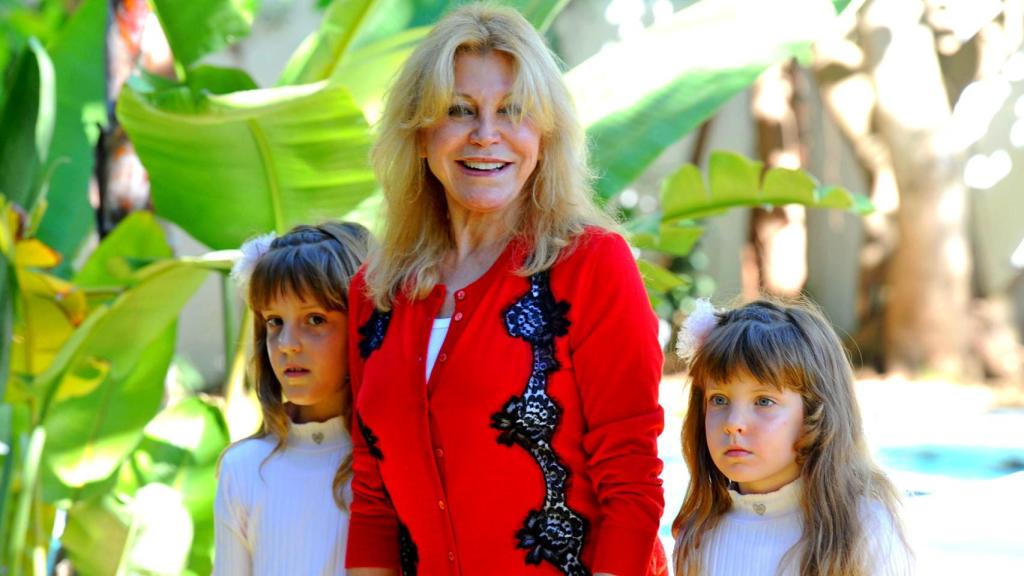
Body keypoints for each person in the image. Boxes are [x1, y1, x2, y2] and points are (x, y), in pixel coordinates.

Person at [345, 4, 666, 576]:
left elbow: (632, 481)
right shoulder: (376, 293)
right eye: (459, 111)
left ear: (543, 136)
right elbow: (374, 497)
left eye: (511, 111)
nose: (486, 135)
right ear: (421, 136)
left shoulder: (591, 265)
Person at [671, 298, 914, 576]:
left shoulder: (866, 528)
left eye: (763, 401)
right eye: (719, 399)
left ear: (816, 411)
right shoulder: (700, 535)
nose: (733, 423)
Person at [214, 222, 371, 575]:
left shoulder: (390, 466)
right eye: (274, 321)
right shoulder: (243, 469)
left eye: (314, 319)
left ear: (363, 322)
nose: (286, 343)